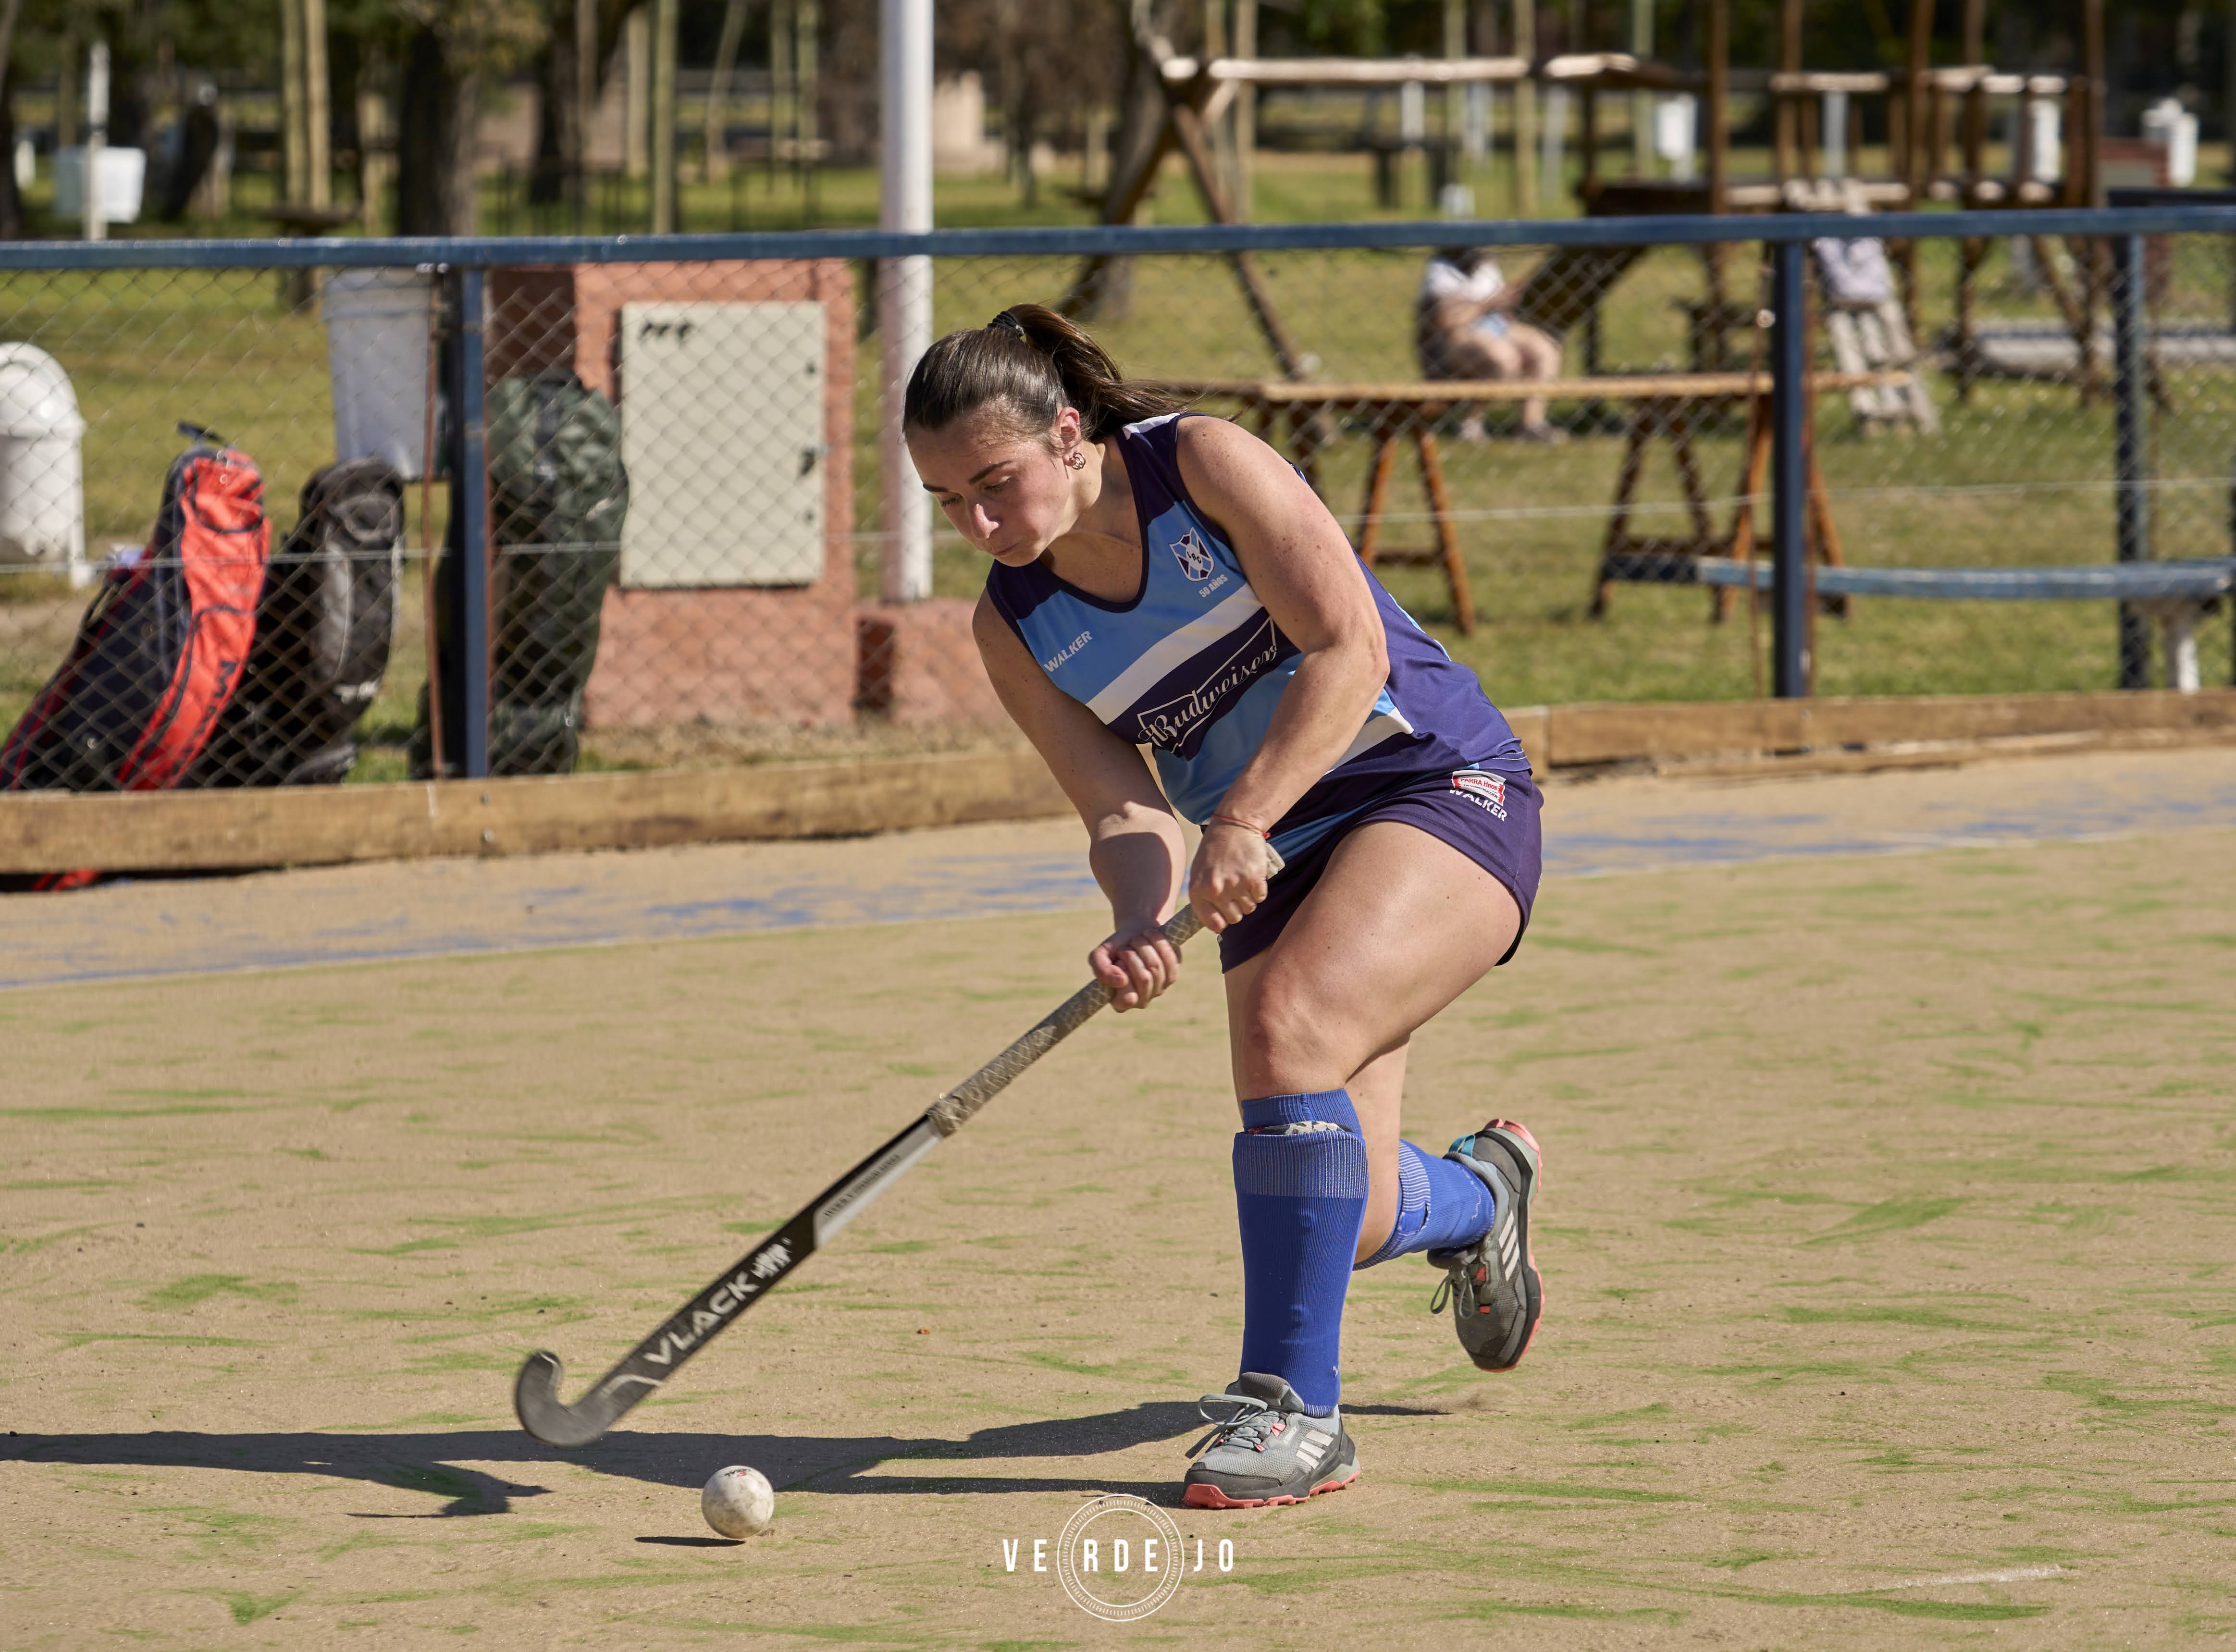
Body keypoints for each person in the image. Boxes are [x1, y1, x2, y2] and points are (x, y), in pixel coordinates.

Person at [904, 305, 1545, 1510]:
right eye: (948, 502)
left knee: (1284, 1028)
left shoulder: (1200, 464)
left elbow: (1346, 649)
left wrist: (1243, 815)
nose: (979, 526)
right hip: (1256, 855)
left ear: (1068, 434)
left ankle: (1292, 1414)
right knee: (1350, 1214)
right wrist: (1139, 918)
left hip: (1429, 782)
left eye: (993, 484)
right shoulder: (1014, 623)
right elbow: (1123, 809)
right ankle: (1479, 1198)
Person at [1417, 246, 1566, 441]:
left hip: (1497, 329)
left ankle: (1531, 423)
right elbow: (1449, 322)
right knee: (1503, 357)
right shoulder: (1442, 272)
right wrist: (1488, 303)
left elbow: (1501, 314)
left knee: (1544, 349)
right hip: (1456, 338)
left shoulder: (1486, 267)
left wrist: (1508, 299)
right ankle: (1470, 423)